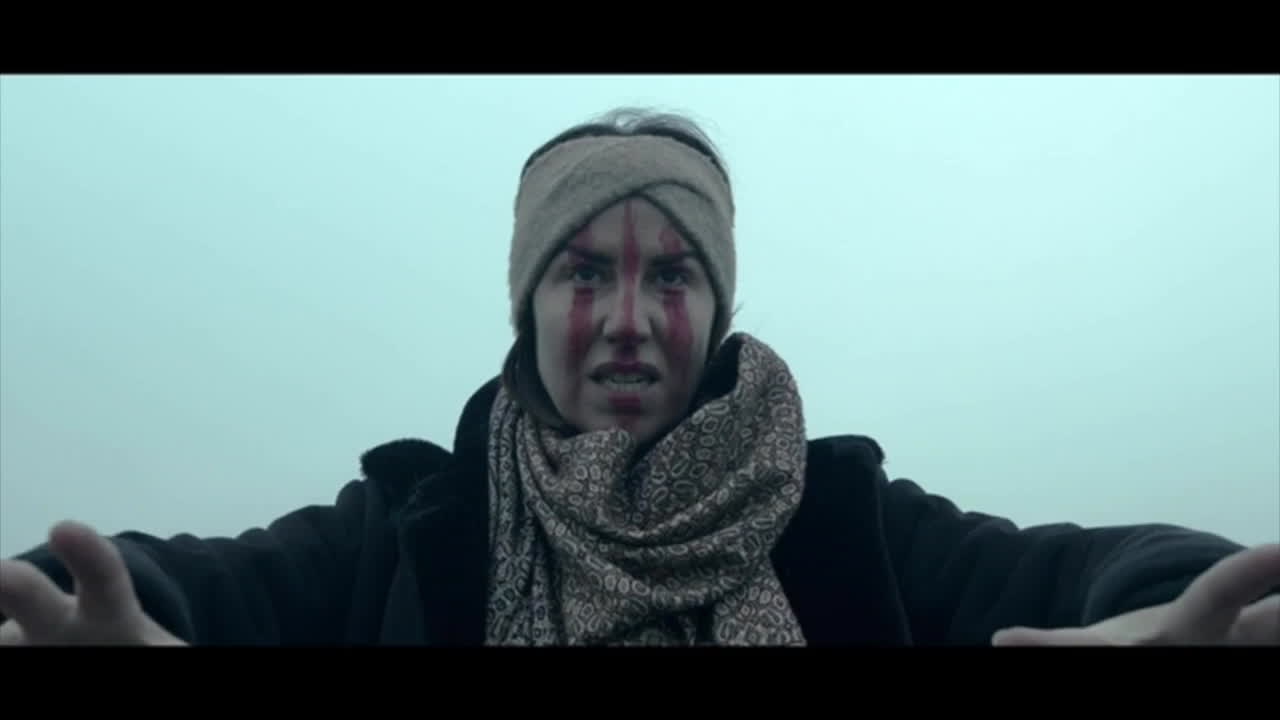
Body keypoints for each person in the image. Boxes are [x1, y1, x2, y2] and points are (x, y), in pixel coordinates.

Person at [0, 108, 1277, 647]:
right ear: (527, 307)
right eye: (580, 272)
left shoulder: (845, 519)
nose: (624, 320)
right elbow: (196, 583)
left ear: (715, 311)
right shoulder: (410, 528)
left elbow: (1066, 573)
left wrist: (1184, 601)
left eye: (669, 274)